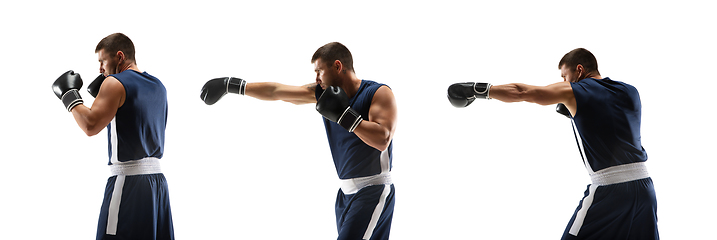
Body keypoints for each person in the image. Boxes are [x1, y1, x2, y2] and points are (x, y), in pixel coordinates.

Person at [446, 48, 658, 240]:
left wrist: (478, 90)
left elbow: (523, 92)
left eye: (565, 76)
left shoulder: (575, 91)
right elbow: (615, 124)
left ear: (579, 70)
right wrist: (582, 116)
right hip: (645, 189)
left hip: (610, 191)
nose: (564, 81)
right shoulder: (630, 91)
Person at [200, 42, 397, 240]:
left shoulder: (377, 93)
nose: (317, 78)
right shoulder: (323, 94)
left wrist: (344, 115)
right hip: (345, 195)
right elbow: (276, 91)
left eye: (320, 71)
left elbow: (383, 139)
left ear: (337, 66)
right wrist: (231, 85)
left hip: (373, 189)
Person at [51, 33, 174, 240]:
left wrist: (69, 95)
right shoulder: (158, 86)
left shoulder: (115, 83)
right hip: (157, 186)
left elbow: (90, 125)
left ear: (119, 57)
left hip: (128, 183)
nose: (100, 69)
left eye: (102, 61)